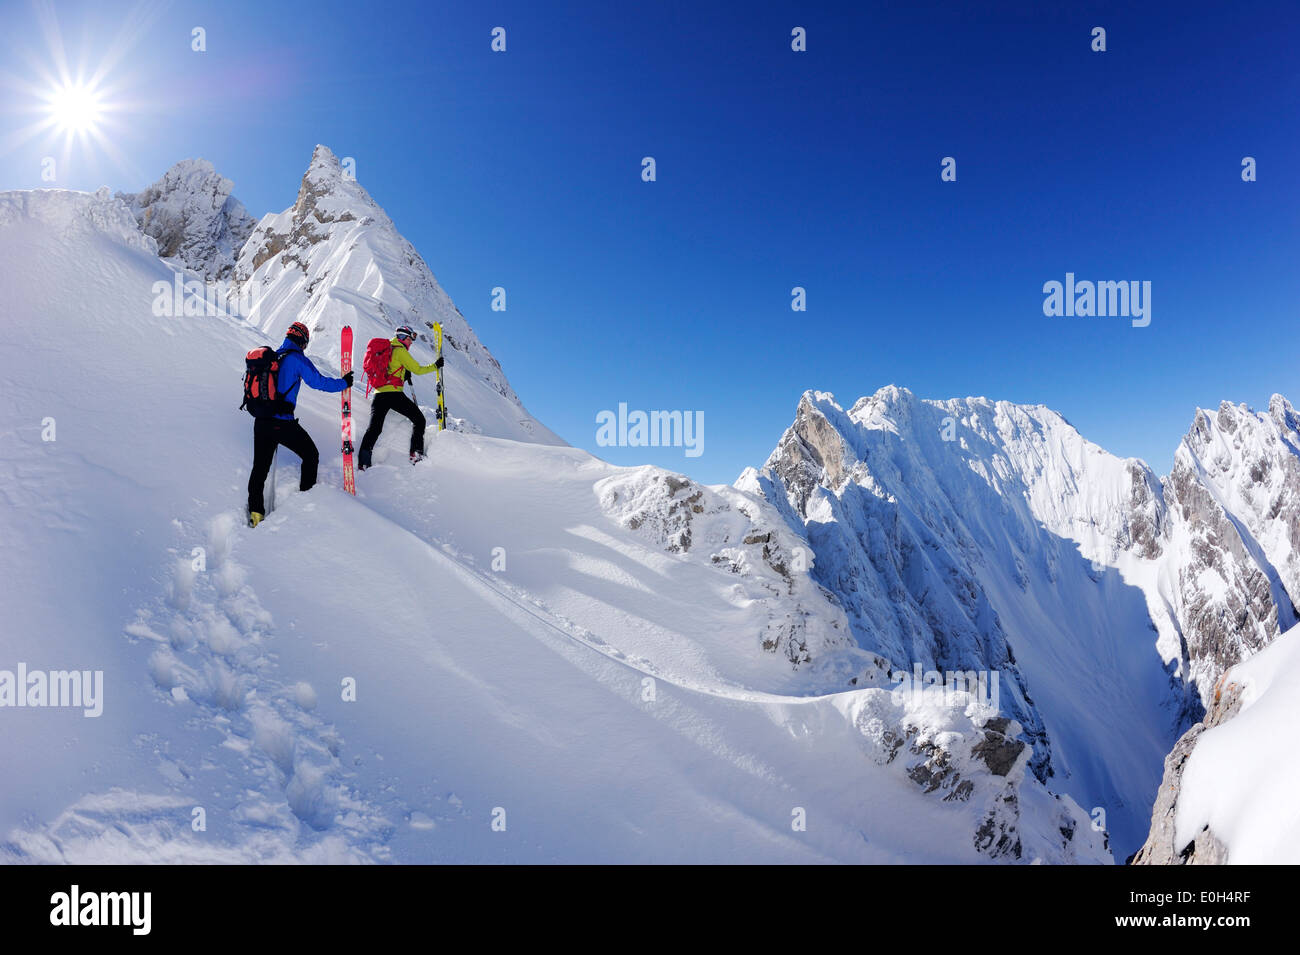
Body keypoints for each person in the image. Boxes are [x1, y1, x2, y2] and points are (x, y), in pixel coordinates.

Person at [247, 321, 352, 526]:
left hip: (261, 421)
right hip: (282, 423)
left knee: (259, 469)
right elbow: (319, 382)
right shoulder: (297, 359)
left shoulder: (274, 356)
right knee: (311, 455)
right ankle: (306, 500)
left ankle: (256, 514)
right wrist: (344, 383)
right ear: (302, 340)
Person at [358, 324, 442, 470]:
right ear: (403, 337)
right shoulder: (400, 351)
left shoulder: (387, 349)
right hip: (394, 395)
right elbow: (418, 369)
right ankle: (416, 454)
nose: (411, 342)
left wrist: (403, 375)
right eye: (410, 339)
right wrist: (435, 366)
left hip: (379, 395)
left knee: (374, 428)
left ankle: (363, 461)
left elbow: (389, 372)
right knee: (419, 420)